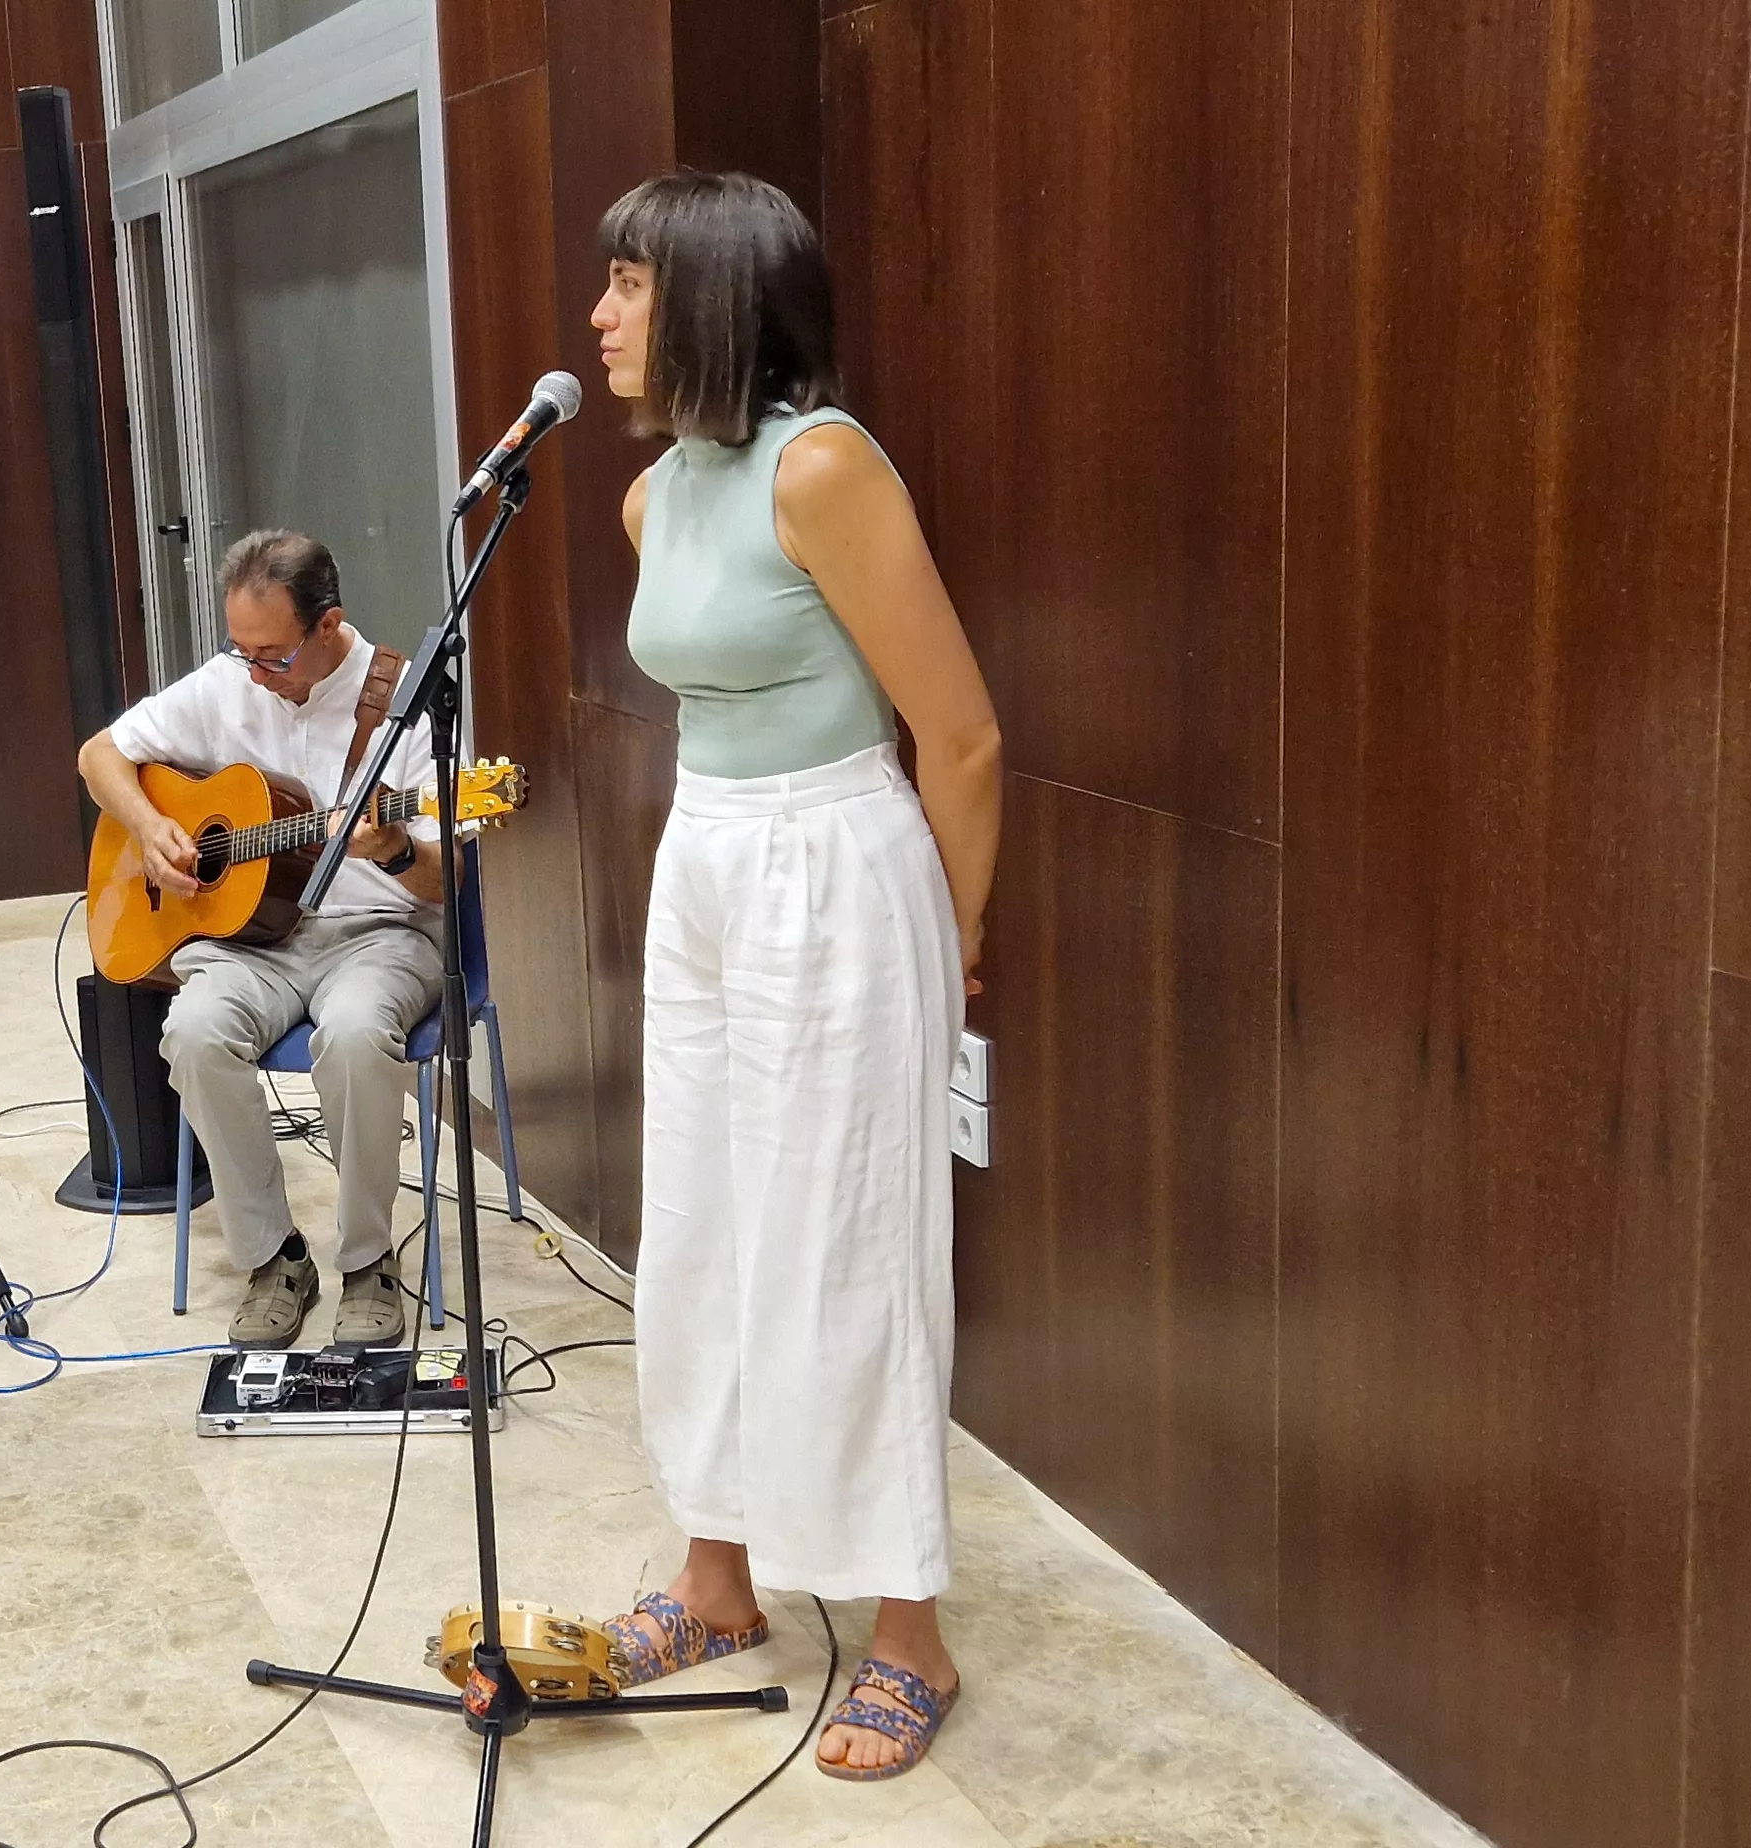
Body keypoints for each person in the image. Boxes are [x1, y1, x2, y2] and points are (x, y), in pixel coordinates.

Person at [589, 172, 1003, 1782]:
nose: (604, 318)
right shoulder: (657, 492)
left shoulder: (820, 469)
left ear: (710, 296)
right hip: (704, 861)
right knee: (698, 1222)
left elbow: (958, 734)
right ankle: (718, 1573)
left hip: (839, 865)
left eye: (629, 285)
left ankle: (910, 1629)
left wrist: (953, 943)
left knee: (849, 1237)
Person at [75, 531, 446, 1349]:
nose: (253, 672)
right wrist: (148, 827)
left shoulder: (405, 704)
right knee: (196, 1034)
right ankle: (273, 1256)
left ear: (328, 626)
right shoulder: (225, 682)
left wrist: (393, 846)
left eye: (271, 655)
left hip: (376, 935)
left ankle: (367, 1260)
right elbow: (99, 755)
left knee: (353, 1036)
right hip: (250, 942)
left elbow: (445, 882)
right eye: (239, 650)